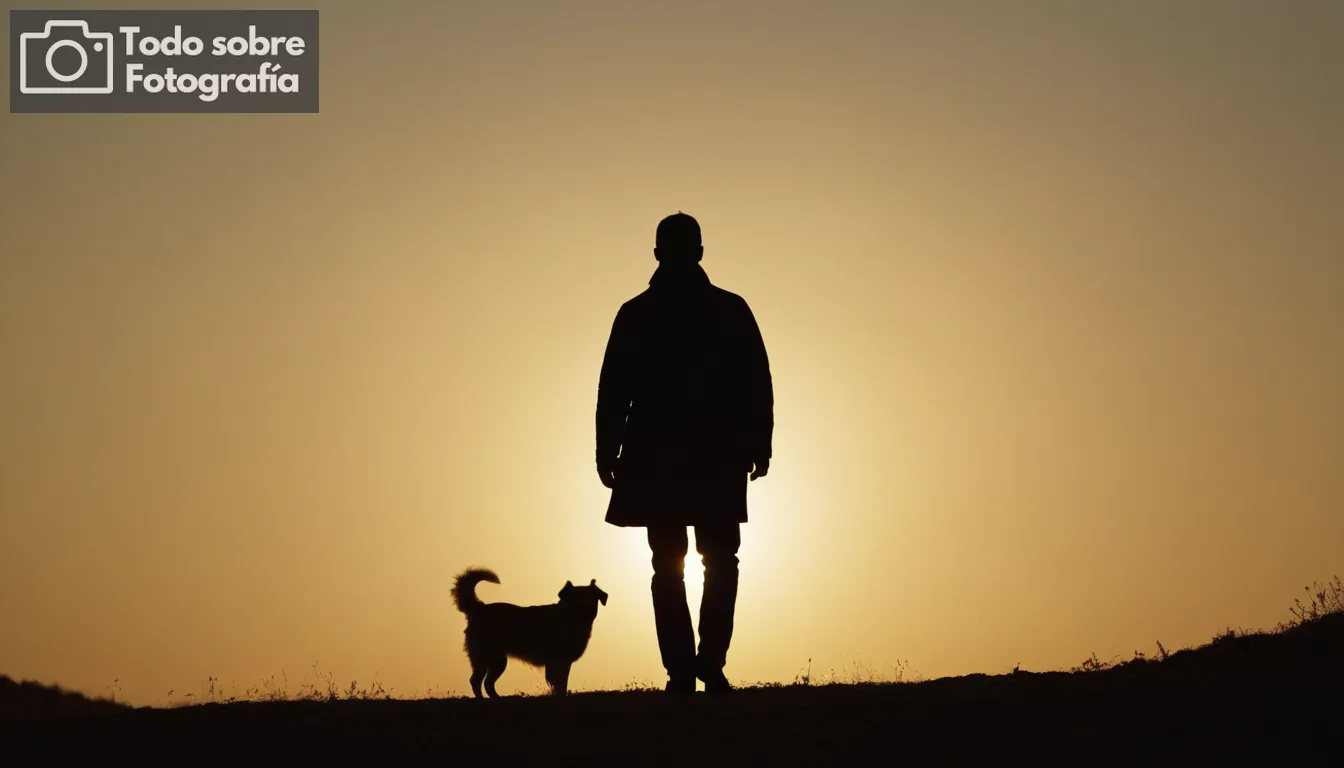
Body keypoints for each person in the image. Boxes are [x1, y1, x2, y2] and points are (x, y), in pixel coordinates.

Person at [595, 212, 774, 694]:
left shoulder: (638, 313)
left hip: (669, 456)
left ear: (660, 254)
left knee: (680, 561)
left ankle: (689, 669)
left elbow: (614, 391)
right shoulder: (727, 309)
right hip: (707, 453)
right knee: (710, 560)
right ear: (698, 251)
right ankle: (701, 666)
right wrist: (761, 441)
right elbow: (756, 381)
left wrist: (606, 449)